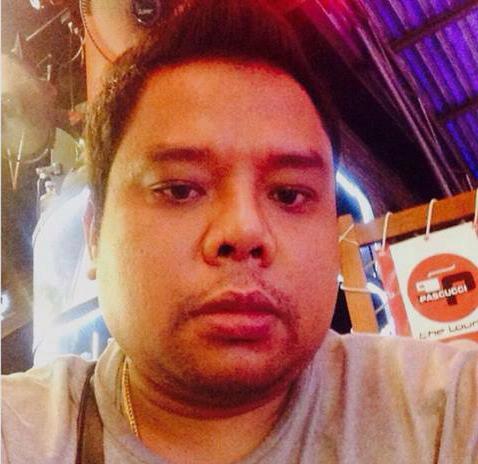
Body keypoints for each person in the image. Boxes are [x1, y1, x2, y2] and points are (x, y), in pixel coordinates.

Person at [2, 1, 477, 463]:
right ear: (94, 236)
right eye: (181, 189)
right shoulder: (22, 431)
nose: (244, 230)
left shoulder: (445, 412)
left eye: (288, 194)